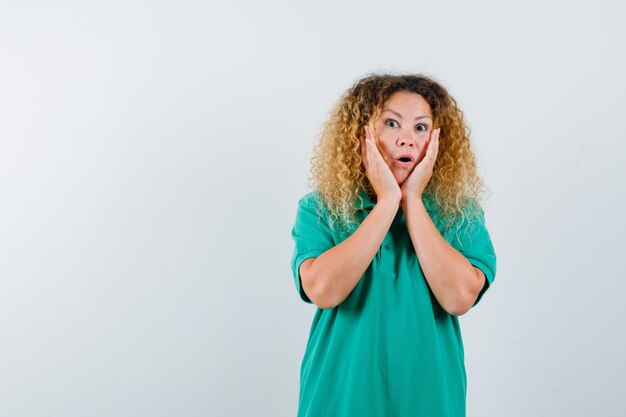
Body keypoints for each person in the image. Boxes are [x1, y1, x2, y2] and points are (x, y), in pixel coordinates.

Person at [290, 73, 497, 417]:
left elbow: (459, 297)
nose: (407, 140)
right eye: (391, 123)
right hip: (339, 400)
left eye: (420, 128)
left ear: (436, 139)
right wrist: (388, 201)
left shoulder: (458, 213)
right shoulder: (320, 208)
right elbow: (322, 290)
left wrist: (412, 199)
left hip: (430, 401)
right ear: (363, 134)